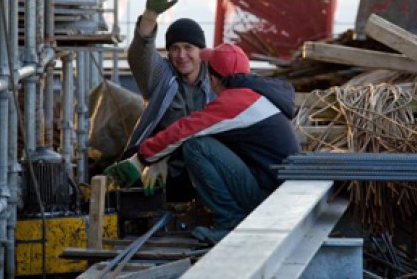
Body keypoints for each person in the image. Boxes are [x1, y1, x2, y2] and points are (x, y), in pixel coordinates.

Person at [106, 43, 301, 244]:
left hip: (268, 201)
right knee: (203, 142)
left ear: (214, 79)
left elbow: (184, 129)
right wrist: (161, 160)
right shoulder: (256, 95)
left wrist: (140, 159)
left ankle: (230, 222)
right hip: (279, 195)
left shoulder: (234, 103)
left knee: (197, 146)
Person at [120, 0, 215, 201]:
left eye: (188, 47)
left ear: (201, 51)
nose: (181, 55)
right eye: (174, 48)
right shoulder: (163, 76)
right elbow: (139, 54)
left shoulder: (216, 81)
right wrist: (150, 16)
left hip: (202, 168)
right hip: (154, 168)